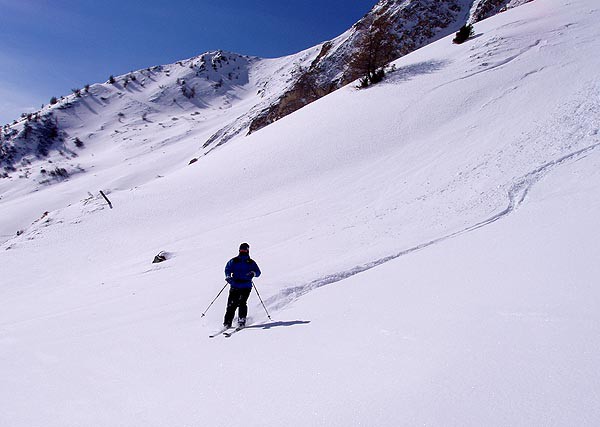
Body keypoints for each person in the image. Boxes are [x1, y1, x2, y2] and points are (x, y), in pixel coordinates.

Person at [223, 243, 261, 328]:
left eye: (244, 250)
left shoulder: (251, 262)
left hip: (246, 285)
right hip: (235, 284)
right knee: (231, 304)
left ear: (247, 251)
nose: (242, 252)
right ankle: (227, 323)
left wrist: (253, 273)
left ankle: (241, 320)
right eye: (241, 250)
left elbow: (258, 272)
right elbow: (228, 269)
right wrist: (228, 276)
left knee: (242, 302)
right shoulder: (234, 261)